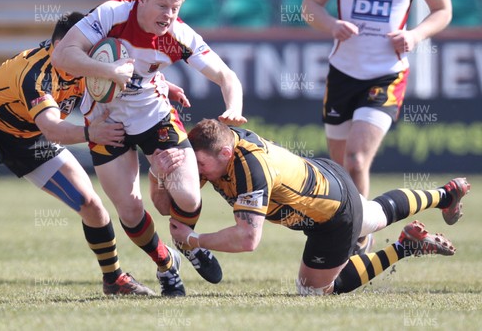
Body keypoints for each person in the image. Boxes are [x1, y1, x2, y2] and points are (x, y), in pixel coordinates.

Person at [0, 12, 172, 296]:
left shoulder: (87, 66)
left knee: (92, 206)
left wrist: (166, 87)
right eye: (84, 48)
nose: (92, 56)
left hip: (30, 137)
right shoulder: (36, 74)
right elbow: (52, 128)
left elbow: (129, 83)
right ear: (62, 45)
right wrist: (89, 134)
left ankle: (113, 279)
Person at [51, 0, 246, 296]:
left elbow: (227, 76)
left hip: (153, 115)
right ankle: (166, 265)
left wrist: (234, 106)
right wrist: (109, 71)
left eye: (175, 8)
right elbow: (63, 54)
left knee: (187, 194)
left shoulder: (179, 35)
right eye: (162, 6)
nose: (169, 14)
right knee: (129, 209)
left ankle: (187, 244)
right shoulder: (112, 14)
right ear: (141, 0)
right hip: (105, 121)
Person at [164, 119, 469, 295]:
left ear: (226, 152)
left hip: (332, 218)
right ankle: (445, 194)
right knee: (376, 214)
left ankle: (404, 248)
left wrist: (194, 241)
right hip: (325, 176)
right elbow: (170, 200)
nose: (198, 172)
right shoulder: (218, 143)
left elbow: (247, 239)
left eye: (201, 164)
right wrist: (161, 171)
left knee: (313, 291)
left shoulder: (250, 170)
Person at [301, 0, 453, 253]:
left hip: (387, 75)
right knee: (340, 171)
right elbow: (309, 5)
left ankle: (356, 239)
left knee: (356, 159)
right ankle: (357, 231)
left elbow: (443, 10)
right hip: (342, 74)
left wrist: (415, 35)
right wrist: (332, 25)